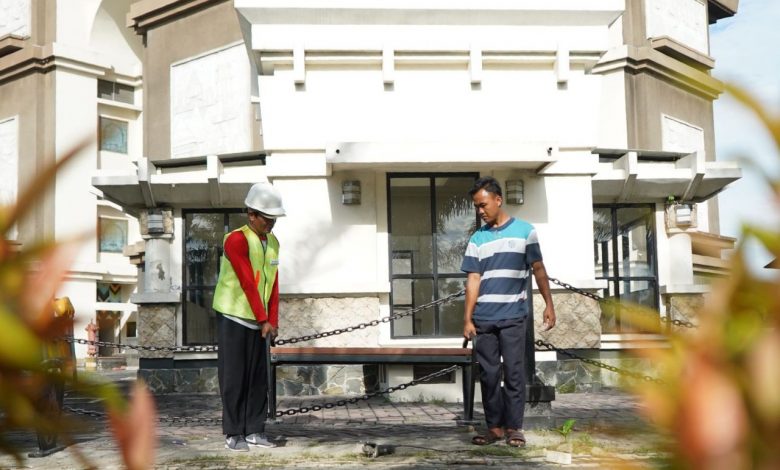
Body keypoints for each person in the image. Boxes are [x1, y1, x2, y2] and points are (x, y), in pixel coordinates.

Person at [461, 176, 556, 447]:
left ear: (498, 200)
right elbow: (473, 281)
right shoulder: (477, 239)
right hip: (484, 319)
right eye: (476, 207)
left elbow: (538, 269)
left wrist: (549, 304)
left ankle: (515, 427)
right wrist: (467, 319)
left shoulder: (526, 231)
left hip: (514, 316)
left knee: (514, 373)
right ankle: (495, 428)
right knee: (490, 376)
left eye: (483, 205)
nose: (480, 211)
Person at [212, 181, 285, 452]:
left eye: (273, 220)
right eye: (266, 219)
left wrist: (272, 320)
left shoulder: (274, 242)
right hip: (234, 317)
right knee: (234, 378)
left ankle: (254, 429)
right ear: (251, 214)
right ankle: (233, 433)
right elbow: (247, 281)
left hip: (260, 321)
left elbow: (273, 284)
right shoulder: (236, 240)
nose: (271, 224)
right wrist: (263, 318)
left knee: (258, 378)